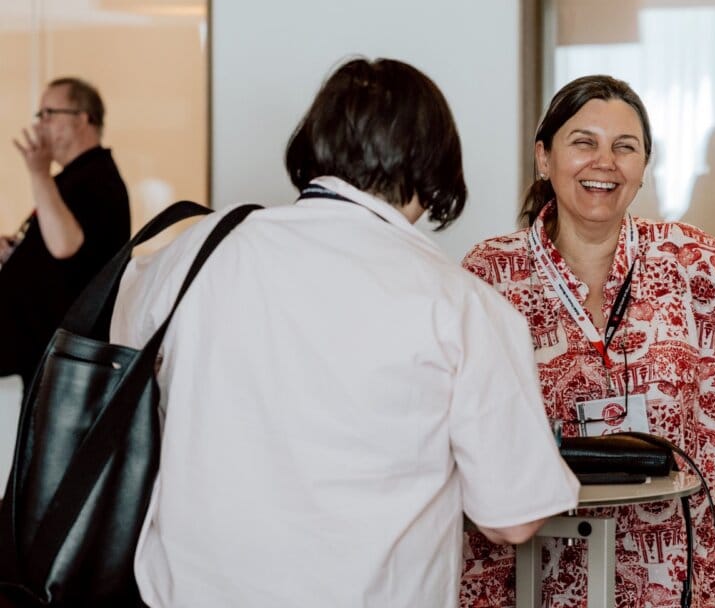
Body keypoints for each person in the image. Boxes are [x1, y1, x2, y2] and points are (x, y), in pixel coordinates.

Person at [110, 58, 579, 607]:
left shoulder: (198, 250)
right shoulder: (460, 304)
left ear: (314, 143)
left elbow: (120, 358)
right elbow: (513, 518)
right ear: (436, 163)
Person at [459, 75, 715, 608]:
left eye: (625, 147)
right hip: (532, 583)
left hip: (671, 585)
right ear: (544, 158)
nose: (605, 162)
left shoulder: (692, 266)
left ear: (644, 168)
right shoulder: (491, 276)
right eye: (583, 142)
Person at [0, 77, 129, 391]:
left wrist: (38, 173)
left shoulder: (98, 179)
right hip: (37, 358)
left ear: (83, 118)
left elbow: (65, 245)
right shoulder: (75, 177)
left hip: (58, 367)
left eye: (49, 113)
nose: (41, 124)